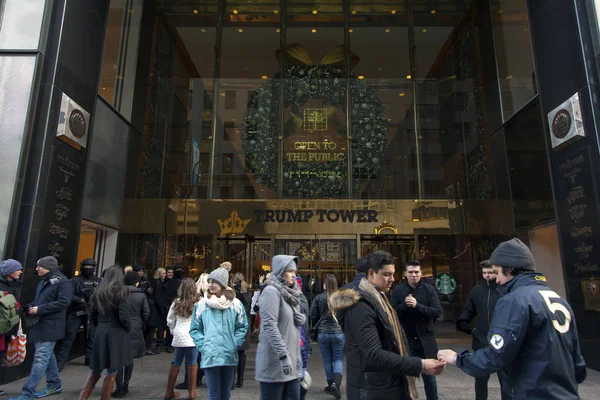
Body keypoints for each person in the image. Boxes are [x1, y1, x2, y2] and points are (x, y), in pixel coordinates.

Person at [438, 238, 587, 400]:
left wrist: (457, 358)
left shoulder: (513, 300)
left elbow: (496, 356)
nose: (496, 279)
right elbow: (578, 363)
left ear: (509, 270)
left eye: (496, 272)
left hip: (532, 392)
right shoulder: (558, 298)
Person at [330, 250, 445, 400]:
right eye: (386, 274)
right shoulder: (362, 306)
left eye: (393, 274)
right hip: (372, 388)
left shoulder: (379, 297)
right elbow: (374, 354)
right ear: (371, 274)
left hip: (383, 384)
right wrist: (421, 365)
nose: (392, 279)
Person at [9, 256, 72, 400]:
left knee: (40, 359)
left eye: (39, 266)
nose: (36, 269)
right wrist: (30, 306)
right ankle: (54, 384)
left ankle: (27, 393)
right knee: (48, 356)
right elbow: (40, 301)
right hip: (41, 324)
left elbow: (64, 302)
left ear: (47, 267)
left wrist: (39, 309)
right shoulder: (44, 281)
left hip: (51, 326)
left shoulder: (63, 282)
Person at [189, 267, 248, 400]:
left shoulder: (235, 304)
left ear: (222, 284)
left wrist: (235, 343)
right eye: (209, 281)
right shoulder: (202, 305)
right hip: (211, 354)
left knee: (226, 394)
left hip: (229, 353)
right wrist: (203, 345)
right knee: (213, 394)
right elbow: (195, 329)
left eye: (214, 281)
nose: (210, 284)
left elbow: (242, 326)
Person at [456, 259, 511, 400]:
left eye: (490, 272)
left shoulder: (505, 291)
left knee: (506, 382)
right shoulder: (477, 291)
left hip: (503, 343)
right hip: (481, 342)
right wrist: (473, 331)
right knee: (480, 380)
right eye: (484, 273)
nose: (487, 275)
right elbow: (464, 318)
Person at [255, 255, 306, 400]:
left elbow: (287, 324)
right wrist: (283, 356)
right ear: (280, 271)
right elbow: (270, 326)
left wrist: (298, 318)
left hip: (292, 366)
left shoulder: (292, 292)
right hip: (275, 366)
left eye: (295, 272)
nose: (293, 275)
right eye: (290, 271)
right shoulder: (271, 292)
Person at [391, 259, 442, 400]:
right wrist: (405, 306)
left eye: (417, 272)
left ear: (421, 273)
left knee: (430, 378)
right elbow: (392, 312)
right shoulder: (398, 290)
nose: (414, 275)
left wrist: (417, 305)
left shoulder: (429, 289)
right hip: (406, 339)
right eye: (411, 272)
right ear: (405, 274)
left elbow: (437, 311)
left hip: (426, 339)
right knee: (406, 378)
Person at [79, 265, 132, 400]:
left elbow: (92, 316)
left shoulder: (97, 291)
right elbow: (124, 316)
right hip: (116, 332)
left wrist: (97, 329)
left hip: (101, 330)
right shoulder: (122, 291)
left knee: (95, 368)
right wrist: (128, 328)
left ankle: (83, 397)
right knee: (112, 368)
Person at [55, 258, 101, 371]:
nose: (88, 269)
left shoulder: (98, 281)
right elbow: (68, 295)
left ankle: (89, 359)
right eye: (86, 266)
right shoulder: (75, 281)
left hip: (91, 312)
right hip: (77, 311)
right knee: (69, 335)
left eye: (91, 267)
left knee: (91, 336)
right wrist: (80, 300)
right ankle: (61, 361)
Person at [112, 271, 150, 398]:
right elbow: (146, 313)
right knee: (129, 357)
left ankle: (119, 387)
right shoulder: (141, 295)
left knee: (119, 359)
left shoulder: (117, 293)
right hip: (135, 327)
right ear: (137, 282)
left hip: (119, 326)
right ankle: (126, 384)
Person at [164, 278, 200, 400]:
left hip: (179, 335)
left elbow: (170, 320)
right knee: (192, 363)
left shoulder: (176, 302)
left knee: (176, 362)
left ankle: (169, 392)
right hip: (193, 336)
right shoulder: (198, 302)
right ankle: (192, 393)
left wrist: (173, 330)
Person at [310, 274, 344, 398]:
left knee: (327, 359)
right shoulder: (341, 297)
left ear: (325, 284)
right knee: (339, 358)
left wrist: (316, 324)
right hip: (338, 332)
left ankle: (331, 384)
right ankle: (336, 384)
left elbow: (313, 314)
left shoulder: (318, 297)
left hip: (323, 332)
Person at [0, 259, 23, 397]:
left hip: (8, 328)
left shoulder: (15, 284)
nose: (20, 271)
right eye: (18, 269)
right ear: (9, 272)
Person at [231, 272, 252, 389]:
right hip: (245, 324)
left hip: (234, 324)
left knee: (233, 352)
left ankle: (231, 380)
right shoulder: (248, 294)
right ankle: (240, 379)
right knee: (242, 353)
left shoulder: (232, 293)